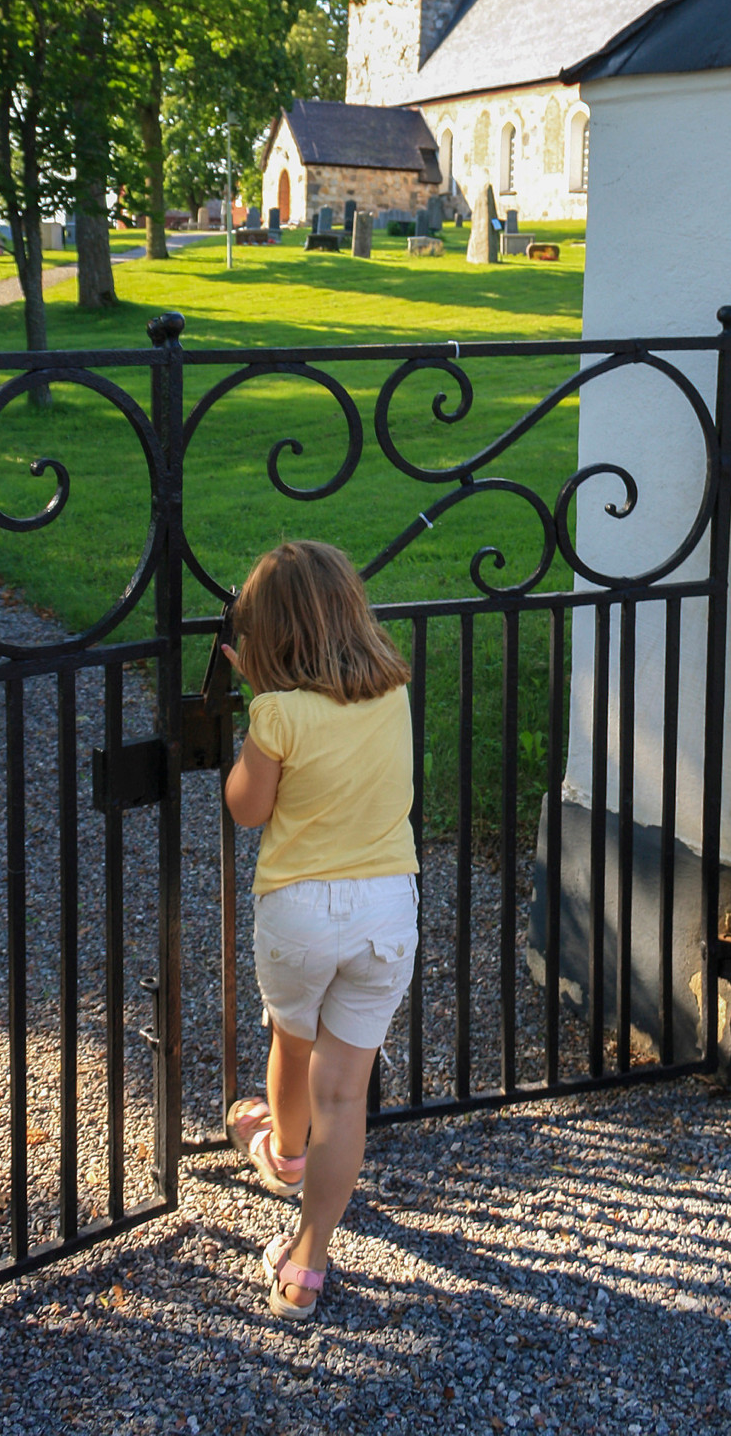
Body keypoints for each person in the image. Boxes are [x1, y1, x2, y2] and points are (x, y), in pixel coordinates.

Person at [221, 540, 418, 1321]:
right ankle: (308, 1265)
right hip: (385, 911)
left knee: (291, 1042)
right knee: (346, 1090)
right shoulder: (392, 693)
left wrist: (250, 704)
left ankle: (285, 1155)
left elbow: (247, 806)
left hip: (301, 911)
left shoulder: (275, 712)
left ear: (265, 639)